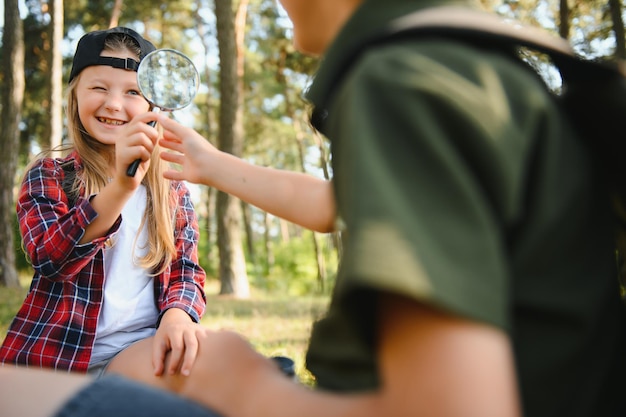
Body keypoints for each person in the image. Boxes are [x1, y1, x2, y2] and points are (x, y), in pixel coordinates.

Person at [2, 1, 626, 416]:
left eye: (132, 90)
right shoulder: (472, 66)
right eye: (100, 89)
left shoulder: (403, 84)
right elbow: (340, 203)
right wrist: (211, 163)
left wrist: (246, 384)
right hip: (67, 348)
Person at [0, 27, 207, 380]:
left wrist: (178, 314)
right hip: (58, 358)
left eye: (133, 92)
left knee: (222, 361)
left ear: (151, 104)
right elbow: (52, 260)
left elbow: (185, 269)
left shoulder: (171, 188)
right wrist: (122, 186)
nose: (114, 103)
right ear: (75, 97)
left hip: (139, 350)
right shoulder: (49, 174)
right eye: (99, 88)